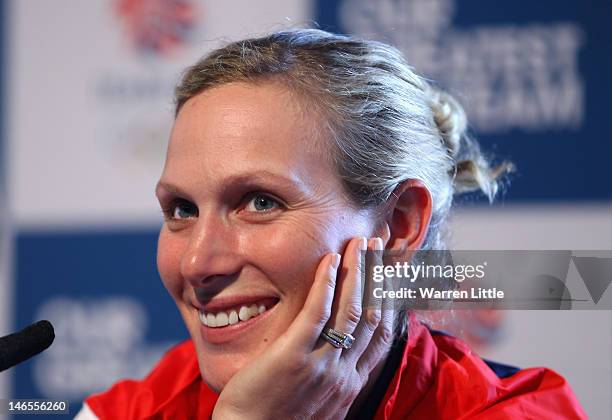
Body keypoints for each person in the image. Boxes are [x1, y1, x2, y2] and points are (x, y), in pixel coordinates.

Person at [76, 29, 586, 419]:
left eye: (258, 201)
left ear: (399, 225)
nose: (197, 262)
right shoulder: (137, 408)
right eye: (182, 210)